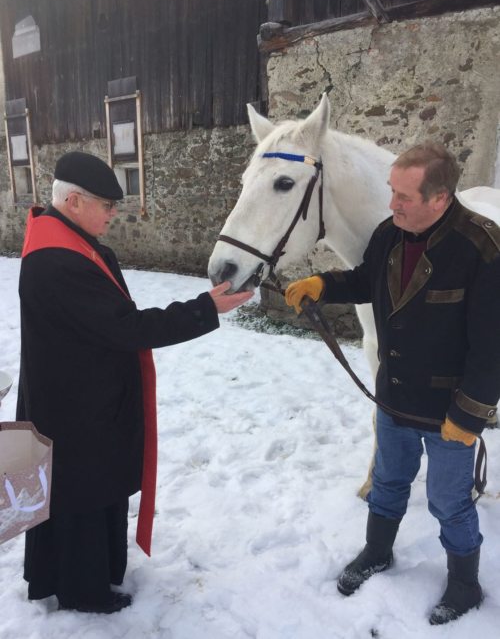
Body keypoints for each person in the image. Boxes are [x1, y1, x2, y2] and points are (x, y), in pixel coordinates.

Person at [17, 151, 252, 614]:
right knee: (81, 495)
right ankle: (83, 590)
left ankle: (93, 572)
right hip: (75, 408)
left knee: (94, 489)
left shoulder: (67, 237)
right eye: (106, 204)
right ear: (75, 201)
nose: (114, 213)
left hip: (79, 395)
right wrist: (205, 309)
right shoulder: (58, 261)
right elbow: (125, 328)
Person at [285, 142, 500, 625]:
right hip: (395, 396)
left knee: (449, 503)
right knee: (386, 484)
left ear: (440, 198)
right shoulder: (391, 234)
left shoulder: (482, 248)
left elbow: (492, 347)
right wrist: (324, 284)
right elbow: (367, 280)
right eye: (392, 192)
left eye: (404, 196)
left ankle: (465, 583)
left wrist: (469, 415)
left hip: (448, 411)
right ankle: (377, 551)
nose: (392, 204)